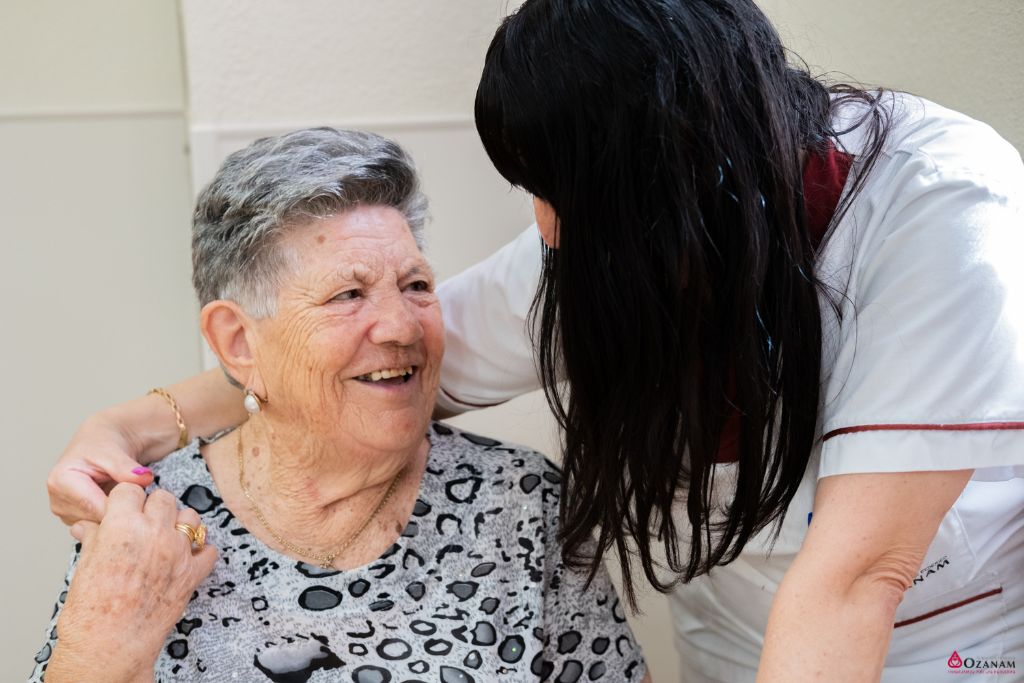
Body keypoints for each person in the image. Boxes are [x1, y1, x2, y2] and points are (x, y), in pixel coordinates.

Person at [45, 1, 1024, 681]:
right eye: (345, 288)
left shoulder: (940, 208)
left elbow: (857, 575)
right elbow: (374, 360)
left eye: (560, 193)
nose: (545, 228)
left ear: (662, 182)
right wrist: (136, 422)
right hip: (743, 641)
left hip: (949, 640)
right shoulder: (169, 526)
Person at [30, 128, 648, 682]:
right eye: (348, 294)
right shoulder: (151, 524)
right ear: (239, 341)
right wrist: (101, 656)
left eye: (417, 286)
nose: (401, 327)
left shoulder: (520, 503)